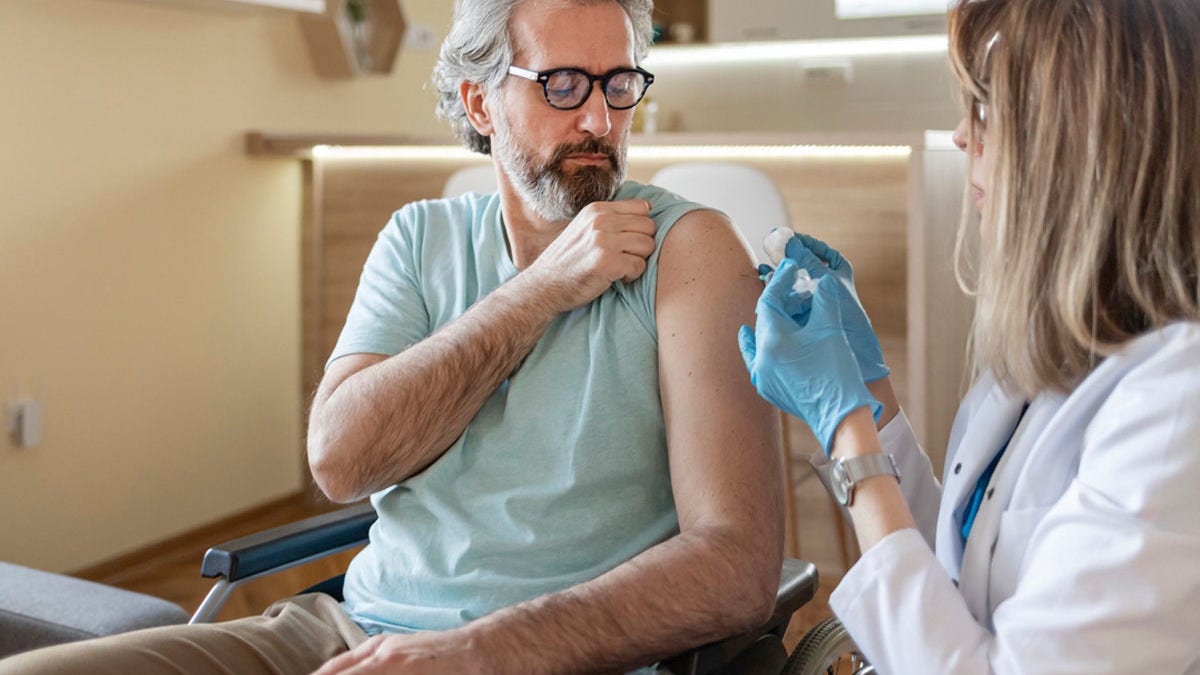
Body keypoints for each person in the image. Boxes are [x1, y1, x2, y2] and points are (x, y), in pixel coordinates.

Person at [0, 1, 783, 674]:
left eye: (619, 84)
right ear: (480, 104)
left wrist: (476, 651)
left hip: (537, 653)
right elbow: (341, 459)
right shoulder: (419, 237)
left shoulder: (692, 251)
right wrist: (538, 293)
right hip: (339, 631)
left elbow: (736, 564)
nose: (599, 120)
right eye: (563, 84)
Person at [739, 0, 1200, 672]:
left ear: (1076, 141)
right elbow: (954, 578)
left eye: (985, 107)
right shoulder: (1048, 364)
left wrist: (847, 432)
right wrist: (873, 397)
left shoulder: (1178, 402)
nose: (960, 136)